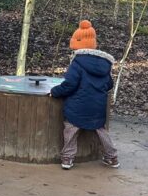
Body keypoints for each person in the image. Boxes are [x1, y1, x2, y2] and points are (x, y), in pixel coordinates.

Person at [49, 20, 120, 170]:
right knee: (101, 130)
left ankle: (67, 159)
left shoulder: (77, 63)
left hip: (77, 105)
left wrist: (55, 92)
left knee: (70, 128)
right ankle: (112, 157)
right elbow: (109, 85)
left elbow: (70, 84)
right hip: (97, 106)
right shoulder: (104, 64)